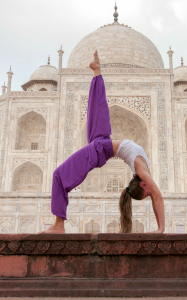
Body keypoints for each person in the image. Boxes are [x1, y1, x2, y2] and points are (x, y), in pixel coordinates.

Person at [39, 51, 165, 234]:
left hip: (102, 148)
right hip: (101, 143)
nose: (151, 193)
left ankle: (59, 224)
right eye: (147, 193)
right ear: (143, 185)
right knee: (98, 106)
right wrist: (161, 229)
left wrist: (160, 228)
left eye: (147, 194)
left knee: (59, 176)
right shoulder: (142, 171)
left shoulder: (142, 171)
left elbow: (156, 198)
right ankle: (97, 71)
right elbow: (158, 198)